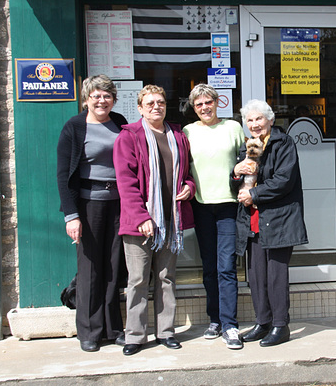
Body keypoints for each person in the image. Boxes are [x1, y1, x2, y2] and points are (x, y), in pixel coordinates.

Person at [113, 85, 196, 356]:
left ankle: (166, 332)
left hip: (170, 221)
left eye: (160, 102)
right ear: (139, 108)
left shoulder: (178, 136)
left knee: (166, 277)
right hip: (140, 222)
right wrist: (141, 217)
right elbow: (125, 182)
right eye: (149, 103)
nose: (156, 107)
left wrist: (189, 186)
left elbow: (187, 171)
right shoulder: (129, 136)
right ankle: (135, 336)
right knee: (138, 280)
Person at [56, 74, 127, 352]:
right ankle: (88, 331)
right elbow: (63, 175)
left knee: (113, 265)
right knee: (89, 268)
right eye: (96, 95)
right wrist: (71, 215)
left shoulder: (119, 122)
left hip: (118, 201)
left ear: (113, 99)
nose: (102, 100)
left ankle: (112, 328)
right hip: (87, 204)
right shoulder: (74, 127)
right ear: (86, 99)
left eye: (107, 95)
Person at [231, 99, 308, 347]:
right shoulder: (248, 147)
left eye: (259, 119)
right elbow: (238, 184)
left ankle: (280, 325)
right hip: (253, 221)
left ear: (270, 121)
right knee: (256, 275)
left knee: (276, 276)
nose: (254, 124)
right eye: (250, 120)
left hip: (279, 220)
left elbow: (284, 180)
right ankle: (262, 322)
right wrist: (235, 172)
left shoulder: (283, 143)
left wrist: (253, 195)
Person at [183, 83, 245, 350]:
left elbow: (247, 160)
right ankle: (215, 320)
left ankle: (230, 324)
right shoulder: (187, 132)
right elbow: (182, 167)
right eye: (199, 104)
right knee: (209, 268)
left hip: (228, 205)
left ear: (218, 103)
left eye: (208, 102)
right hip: (201, 205)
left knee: (226, 267)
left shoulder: (233, 127)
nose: (204, 107)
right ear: (194, 108)